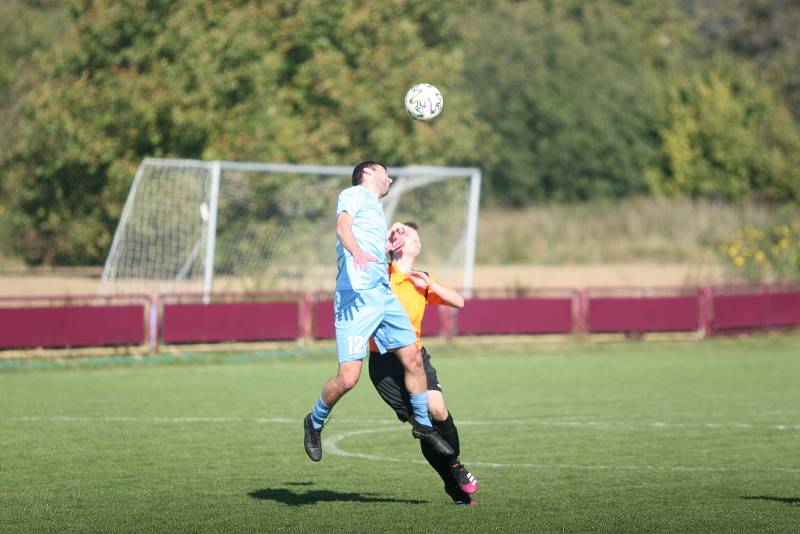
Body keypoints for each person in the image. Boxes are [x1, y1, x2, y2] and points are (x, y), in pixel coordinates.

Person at [303, 161, 454, 462]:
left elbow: (371, 246)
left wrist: (387, 244)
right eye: (386, 172)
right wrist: (355, 251)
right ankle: (315, 421)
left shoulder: (375, 208)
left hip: (382, 295)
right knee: (348, 378)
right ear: (369, 173)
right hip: (355, 298)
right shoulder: (354, 194)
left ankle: (423, 424)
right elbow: (342, 226)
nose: (390, 178)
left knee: (413, 356)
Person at [368, 221, 479, 506]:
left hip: (416, 357)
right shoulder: (382, 273)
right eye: (412, 236)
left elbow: (459, 302)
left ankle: (454, 466)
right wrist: (387, 237)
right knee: (423, 426)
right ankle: (452, 484)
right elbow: (367, 261)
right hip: (385, 364)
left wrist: (430, 284)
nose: (419, 242)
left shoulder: (421, 278)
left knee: (438, 410)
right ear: (399, 244)